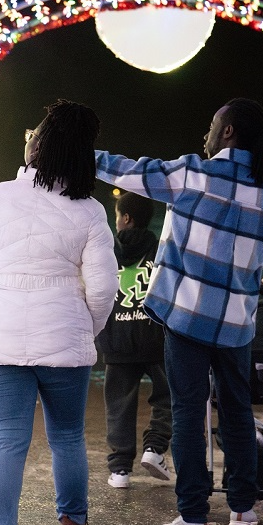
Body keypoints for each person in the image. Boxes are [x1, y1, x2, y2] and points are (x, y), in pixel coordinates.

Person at [94, 98, 263, 525]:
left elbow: (127, 171)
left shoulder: (193, 174)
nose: (206, 134)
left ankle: (194, 519)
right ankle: (242, 509)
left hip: (185, 320)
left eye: (213, 125)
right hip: (237, 326)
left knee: (188, 413)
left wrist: (77, 152)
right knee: (237, 413)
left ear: (229, 131)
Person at [0, 100, 119, 525]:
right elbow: (104, 286)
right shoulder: (90, 211)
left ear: (38, 146)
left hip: (2, 336)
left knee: (8, 440)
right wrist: (82, 327)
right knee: (67, 437)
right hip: (65, 335)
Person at [97, 191, 173, 489]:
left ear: (126, 218)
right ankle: (155, 449)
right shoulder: (161, 249)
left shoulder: (106, 251)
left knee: (119, 404)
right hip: (155, 337)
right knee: (169, 395)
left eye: (117, 216)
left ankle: (120, 471)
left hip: (117, 338)